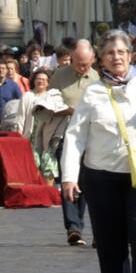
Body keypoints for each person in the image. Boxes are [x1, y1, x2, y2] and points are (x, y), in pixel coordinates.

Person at [60, 30, 136, 273]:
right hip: (101, 178)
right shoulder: (93, 92)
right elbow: (75, 135)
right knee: (110, 246)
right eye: (110, 53)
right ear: (100, 59)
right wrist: (69, 177)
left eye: (122, 52)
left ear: (131, 55)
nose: (117, 57)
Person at [51, 39, 100, 247]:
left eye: (86, 64)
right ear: (71, 59)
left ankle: (92, 227)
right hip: (65, 134)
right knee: (68, 180)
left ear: (93, 59)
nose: (83, 68)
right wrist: (64, 109)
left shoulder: (98, 78)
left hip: (92, 138)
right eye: (79, 63)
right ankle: (73, 227)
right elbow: (49, 100)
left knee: (89, 184)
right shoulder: (60, 75)